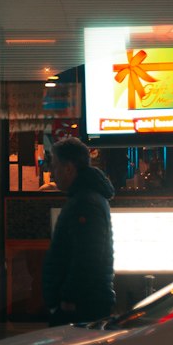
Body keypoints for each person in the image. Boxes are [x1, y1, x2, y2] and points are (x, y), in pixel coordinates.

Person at [42, 137, 116, 325]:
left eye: (55, 165)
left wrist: (69, 298)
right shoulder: (86, 197)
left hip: (81, 306)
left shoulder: (85, 202)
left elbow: (87, 256)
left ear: (69, 168)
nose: (52, 171)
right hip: (84, 302)